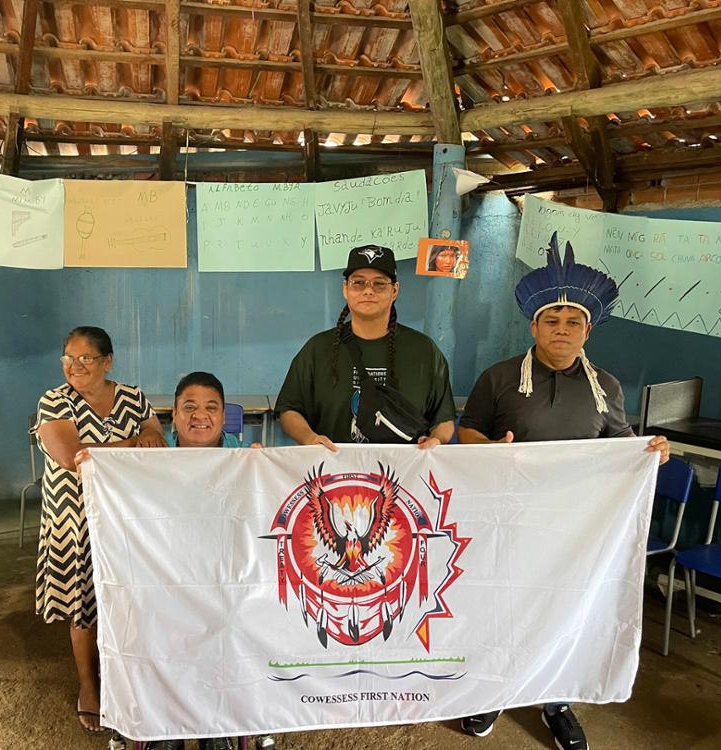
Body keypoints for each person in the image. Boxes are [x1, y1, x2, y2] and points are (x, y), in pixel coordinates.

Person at [456, 234, 669, 750]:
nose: (562, 330)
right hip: (508, 520)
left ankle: (555, 702)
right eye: (552, 320)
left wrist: (651, 450)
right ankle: (493, 691)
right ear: (533, 326)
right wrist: (495, 450)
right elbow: (466, 434)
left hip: (574, 529)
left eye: (573, 322)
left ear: (587, 330)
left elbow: (621, 444)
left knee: (563, 612)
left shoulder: (607, 387)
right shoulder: (499, 378)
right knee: (501, 607)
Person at [77, 370, 254, 750]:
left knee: (230, 638)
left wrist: (266, 469)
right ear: (174, 415)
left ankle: (219, 731)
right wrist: (99, 464)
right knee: (153, 637)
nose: (199, 416)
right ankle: (162, 731)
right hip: (164, 583)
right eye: (188, 407)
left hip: (225, 585)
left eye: (211, 408)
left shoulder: (247, 460)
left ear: (224, 417)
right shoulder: (148, 458)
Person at [33, 326, 166, 736]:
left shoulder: (132, 396)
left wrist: (135, 442)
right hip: (75, 519)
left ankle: (130, 676)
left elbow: (158, 439)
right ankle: (89, 687)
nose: (75, 366)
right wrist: (132, 444)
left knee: (129, 597)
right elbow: (75, 458)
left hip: (128, 515)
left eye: (85, 358)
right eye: (68, 358)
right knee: (83, 603)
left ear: (107, 362)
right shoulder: (54, 402)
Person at [277, 244, 456, 450]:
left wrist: (436, 439)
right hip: (332, 474)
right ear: (345, 289)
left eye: (379, 284)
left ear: (395, 290)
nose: (368, 291)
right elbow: (289, 409)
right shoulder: (318, 349)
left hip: (404, 475)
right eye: (358, 283)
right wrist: (309, 438)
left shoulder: (424, 351)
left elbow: (444, 419)